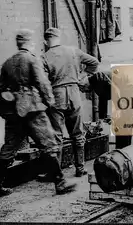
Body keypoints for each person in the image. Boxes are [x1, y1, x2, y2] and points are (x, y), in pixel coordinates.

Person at [0, 29, 76, 198]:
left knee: (8, 149)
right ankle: (60, 182)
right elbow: (42, 83)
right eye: (33, 42)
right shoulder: (32, 59)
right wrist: (49, 102)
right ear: (28, 43)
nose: (34, 44)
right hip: (33, 110)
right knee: (49, 144)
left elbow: (1, 90)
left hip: (14, 112)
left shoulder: (7, 63)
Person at [40, 27, 99, 179]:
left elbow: (43, 82)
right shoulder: (73, 51)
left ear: (46, 41)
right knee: (77, 134)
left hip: (56, 97)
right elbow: (94, 62)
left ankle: (56, 174)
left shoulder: (44, 57)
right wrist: (81, 76)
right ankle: (80, 168)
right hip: (74, 94)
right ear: (59, 38)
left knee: (56, 136)